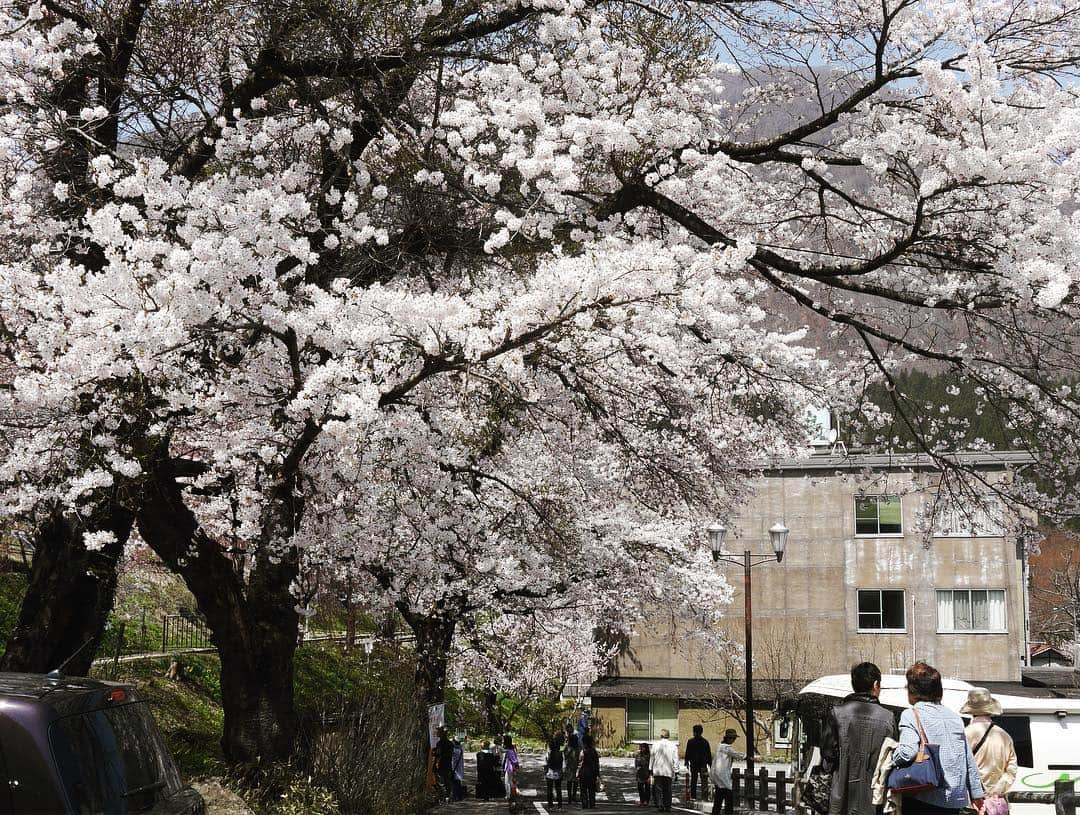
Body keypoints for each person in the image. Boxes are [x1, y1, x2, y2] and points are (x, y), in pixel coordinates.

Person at [894, 662, 985, 815]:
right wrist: (976, 794)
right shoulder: (955, 718)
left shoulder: (911, 714)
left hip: (924, 796)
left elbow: (907, 752)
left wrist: (890, 757)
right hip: (954, 799)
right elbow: (968, 759)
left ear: (912, 691)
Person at [820, 661, 897, 815]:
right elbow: (891, 759)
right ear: (876, 685)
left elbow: (828, 754)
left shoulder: (836, 713)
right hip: (874, 798)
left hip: (840, 795)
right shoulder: (888, 718)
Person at [961, 688, 1018, 805]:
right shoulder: (1005, 736)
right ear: (990, 710)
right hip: (997, 803)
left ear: (972, 711)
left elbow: (959, 767)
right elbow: (1011, 769)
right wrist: (996, 791)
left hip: (972, 802)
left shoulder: (965, 734)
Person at [710, 728, 745, 815]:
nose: (733, 740)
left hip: (716, 775)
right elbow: (737, 755)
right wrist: (748, 757)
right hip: (722, 776)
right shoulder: (726, 748)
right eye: (733, 738)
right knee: (729, 799)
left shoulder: (720, 746)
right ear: (728, 738)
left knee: (718, 799)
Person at [649, 728, 680, 812]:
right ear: (668, 736)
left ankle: (660, 804)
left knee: (658, 789)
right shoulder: (673, 745)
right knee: (668, 790)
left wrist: (650, 769)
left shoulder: (655, 745)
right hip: (668, 771)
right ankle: (667, 806)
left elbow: (652, 757)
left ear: (661, 735)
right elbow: (675, 759)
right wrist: (676, 771)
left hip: (658, 770)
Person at [685, 723, 713, 801]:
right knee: (704, 781)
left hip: (694, 764)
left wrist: (686, 761)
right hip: (703, 764)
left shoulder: (690, 741)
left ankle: (693, 796)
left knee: (694, 780)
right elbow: (709, 754)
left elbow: (688, 752)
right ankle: (704, 796)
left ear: (694, 732)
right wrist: (710, 764)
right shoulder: (705, 742)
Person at [578, 733, 601, 809]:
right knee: (591, 789)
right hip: (592, 772)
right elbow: (597, 763)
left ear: (584, 743)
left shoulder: (583, 752)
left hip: (584, 772)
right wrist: (598, 774)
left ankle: (584, 804)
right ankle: (592, 804)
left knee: (583, 790)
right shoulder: (594, 752)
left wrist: (577, 772)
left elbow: (580, 763)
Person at [434, 727, 455, 802]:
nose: (437, 733)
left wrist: (435, 754)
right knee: (447, 781)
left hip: (441, 765)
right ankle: (448, 796)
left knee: (442, 782)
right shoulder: (450, 743)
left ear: (442, 733)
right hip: (447, 765)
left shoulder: (440, 743)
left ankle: (443, 797)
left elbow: (439, 754)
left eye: (439, 731)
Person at [546, 736, 565, 809]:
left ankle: (550, 805)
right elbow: (563, 763)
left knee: (549, 789)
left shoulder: (549, 753)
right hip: (558, 773)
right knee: (558, 789)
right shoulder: (560, 753)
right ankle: (560, 805)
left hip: (550, 773)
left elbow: (545, 763)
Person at [564, 725, 581, 804]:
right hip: (576, 767)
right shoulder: (578, 749)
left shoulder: (567, 748)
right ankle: (574, 796)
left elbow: (564, 755)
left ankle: (569, 797)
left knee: (569, 782)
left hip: (569, 767)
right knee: (575, 782)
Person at [503, 734, 520, 801]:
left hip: (510, 767)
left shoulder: (509, 750)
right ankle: (512, 794)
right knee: (511, 781)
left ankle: (509, 795)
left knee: (507, 781)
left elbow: (514, 759)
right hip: (511, 767)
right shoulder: (511, 748)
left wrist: (516, 764)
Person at [635, 742, 652, 806]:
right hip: (640, 773)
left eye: (643, 747)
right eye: (641, 747)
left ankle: (646, 801)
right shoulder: (638, 755)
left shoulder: (649, 755)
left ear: (646, 748)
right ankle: (642, 800)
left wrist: (651, 774)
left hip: (647, 773)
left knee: (647, 788)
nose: (642, 749)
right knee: (640, 788)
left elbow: (651, 764)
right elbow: (636, 763)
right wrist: (637, 768)